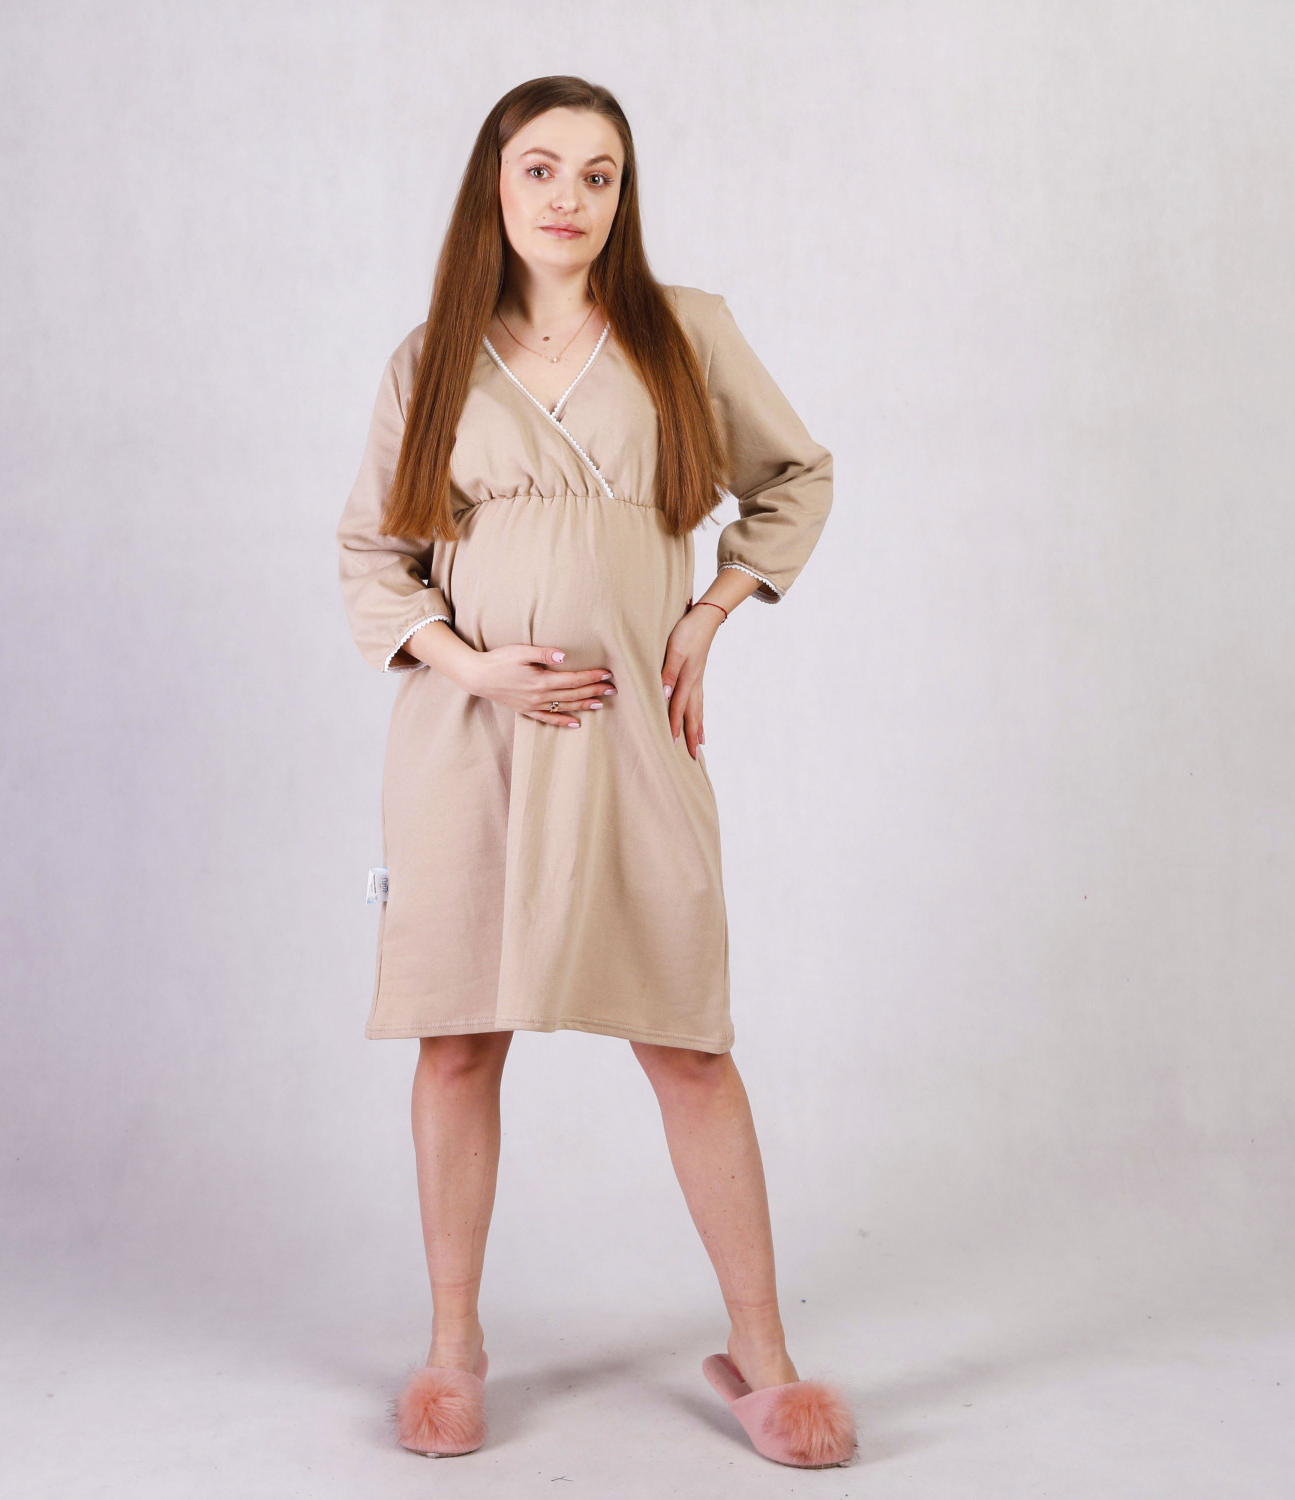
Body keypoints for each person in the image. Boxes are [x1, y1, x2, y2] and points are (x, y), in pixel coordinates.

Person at [336, 75, 855, 1469]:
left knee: (688, 1037)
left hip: (631, 736)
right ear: (494, 185)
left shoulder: (685, 333)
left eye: (599, 174)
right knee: (459, 1037)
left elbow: (796, 476)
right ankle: (454, 1344)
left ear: (623, 196)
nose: (568, 197)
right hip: (470, 744)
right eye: (542, 168)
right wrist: (470, 668)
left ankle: (763, 1352)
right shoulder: (432, 356)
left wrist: (711, 610)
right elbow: (373, 554)